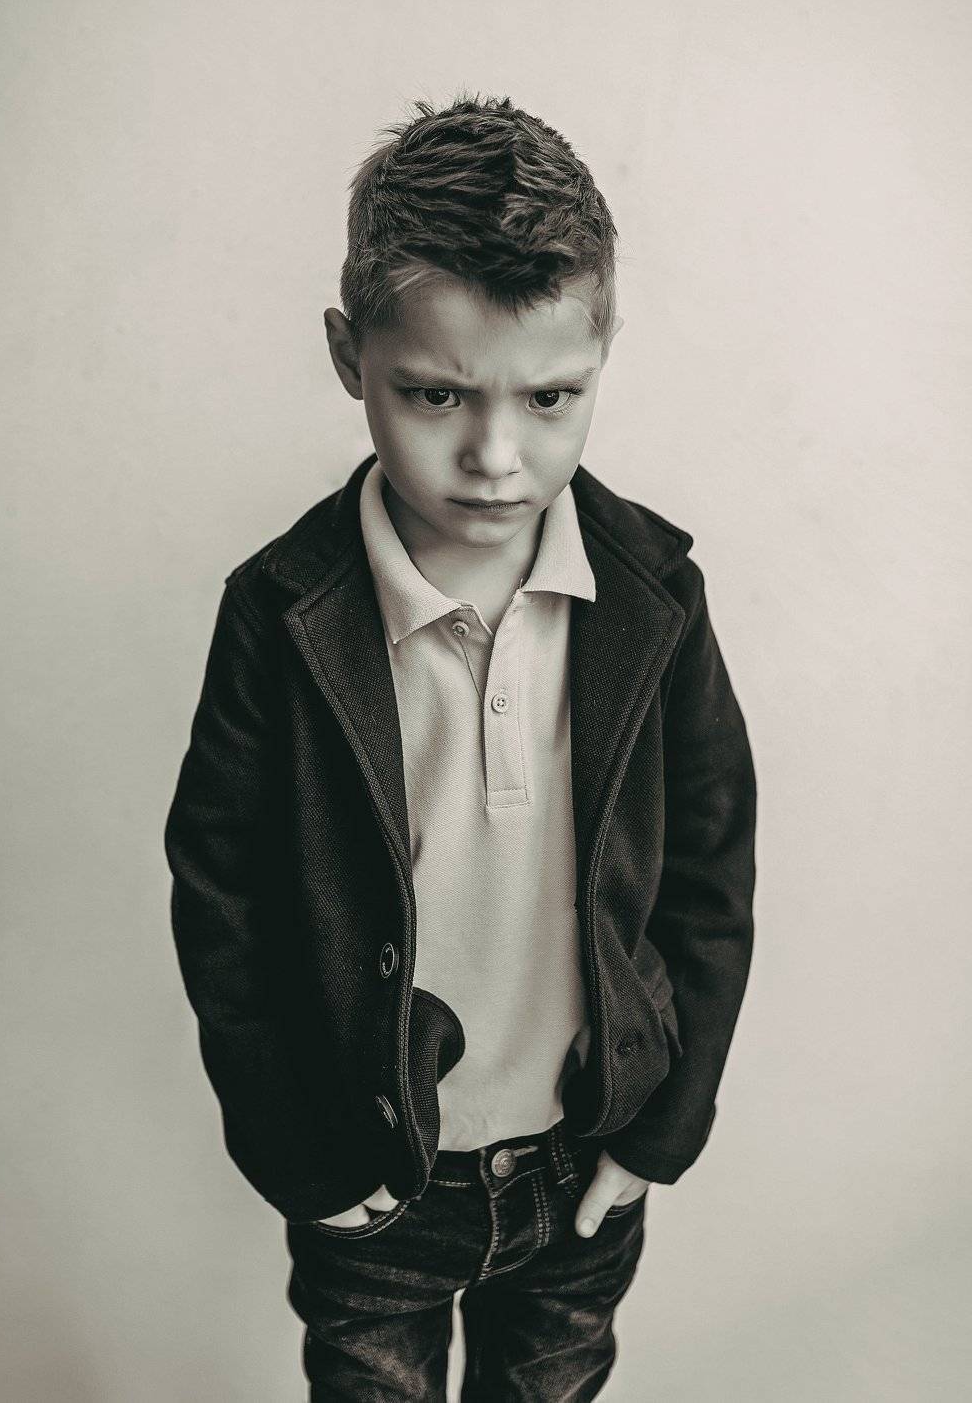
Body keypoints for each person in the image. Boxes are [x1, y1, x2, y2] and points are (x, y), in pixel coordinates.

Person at [164, 92, 757, 1401]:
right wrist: (297, 1152)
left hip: (584, 1156)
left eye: (551, 397)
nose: (495, 455)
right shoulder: (281, 611)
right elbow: (221, 897)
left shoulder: (655, 595)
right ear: (349, 354)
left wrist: (662, 1129)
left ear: (602, 354)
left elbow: (712, 870)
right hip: (376, 1180)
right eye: (436, 393)